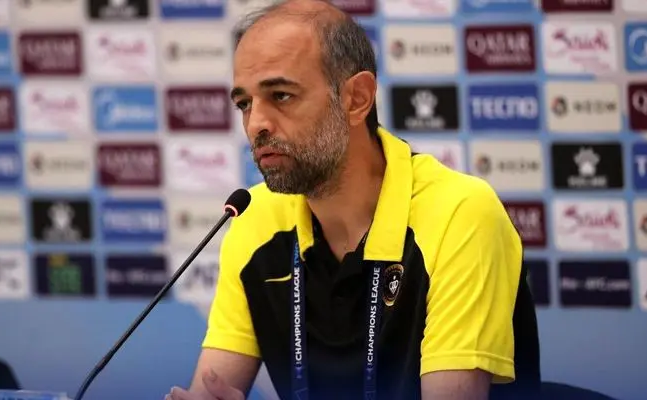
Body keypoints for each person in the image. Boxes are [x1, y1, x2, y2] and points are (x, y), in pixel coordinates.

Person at [167, 0, 540, 399]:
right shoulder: (255, 222)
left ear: (357, 98)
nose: (256, 123)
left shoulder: (459, 214)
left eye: (281, 95)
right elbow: (210, 390)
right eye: (245, 104)